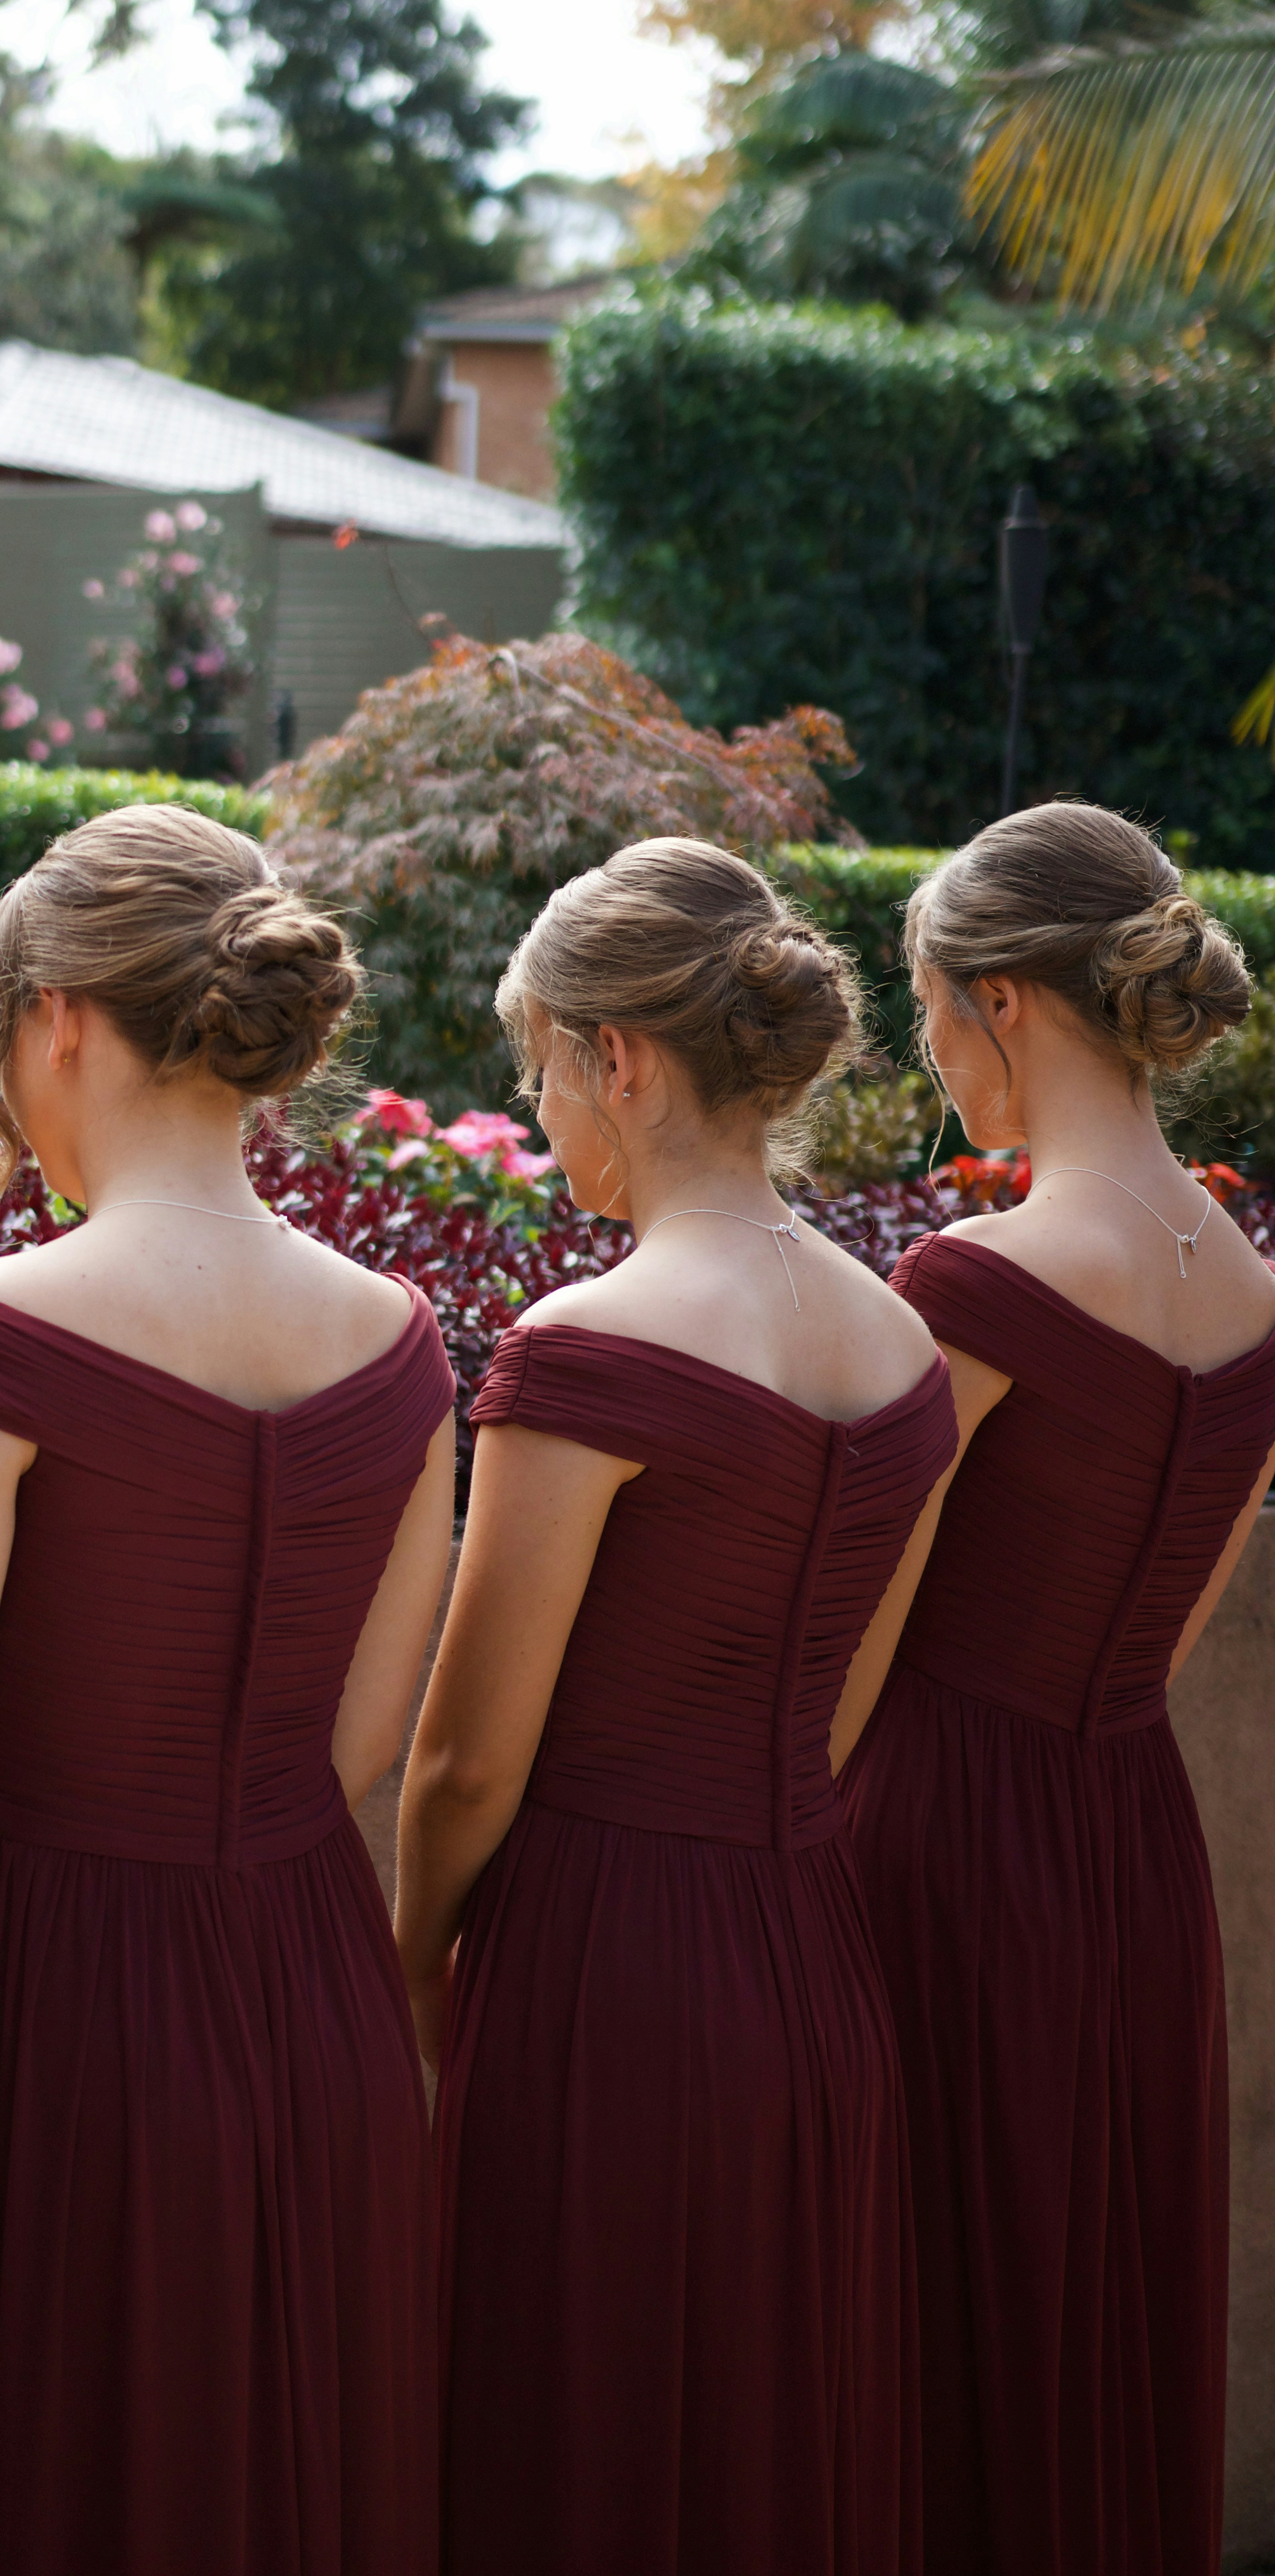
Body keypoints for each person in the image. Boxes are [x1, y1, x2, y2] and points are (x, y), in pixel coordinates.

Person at [0, 803, 457, 2576]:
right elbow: (361, 1746)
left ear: (62, 1022)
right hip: (310, 1988)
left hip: (49, 2014)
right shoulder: (404, 1347)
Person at [398, 836, 958, 2576]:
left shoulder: (586, 1353)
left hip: (599, 1975)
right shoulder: (902, 1351)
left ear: (621, 1059)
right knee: (760, 2448)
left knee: (575, 2447)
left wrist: (412, 1976)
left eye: (540, 1066)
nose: (540, 1105)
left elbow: (469, 1755)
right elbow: (851, 1704)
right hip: (809, 1957)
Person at [840, 803, 1275, 2576]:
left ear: (1007, 1000)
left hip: (936, 1837)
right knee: (1093, 2306)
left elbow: (843, 1629)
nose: (934, 1057)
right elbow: (1175, 1632)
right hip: (1129, 1838)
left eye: (935, 1010)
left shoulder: (977, 1283)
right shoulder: (1250, 1289)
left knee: (943, 2321)